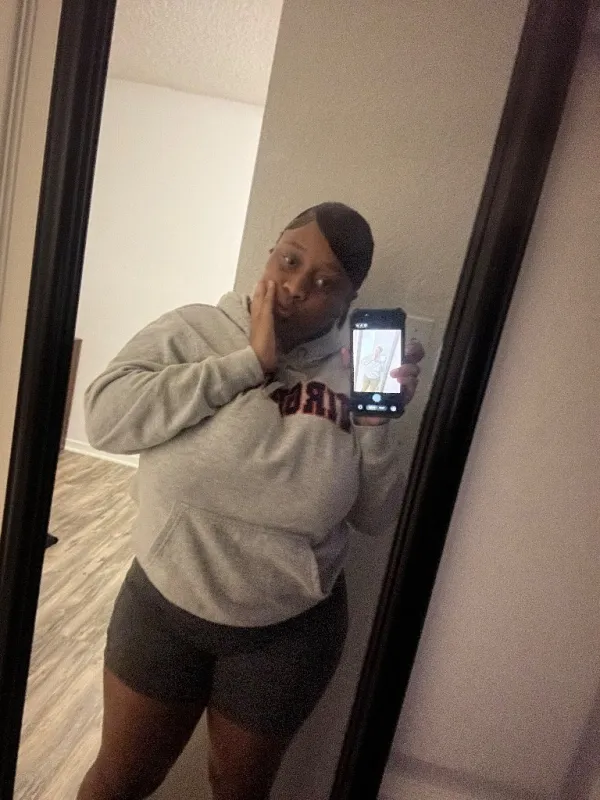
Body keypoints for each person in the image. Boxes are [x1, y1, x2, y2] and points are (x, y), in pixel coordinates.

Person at [78, 202, 423, 800]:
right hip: (164, 605)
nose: (296, 287)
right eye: (289, 261)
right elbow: (106, 420)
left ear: (349, 302)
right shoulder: (194, 331)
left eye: (325, 283)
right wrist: (247, 364)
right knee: (121, 779)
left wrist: (375, 424)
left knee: (238, 792)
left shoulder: (354, 376)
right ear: (270, 254)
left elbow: (373, 517)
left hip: (286, 634)